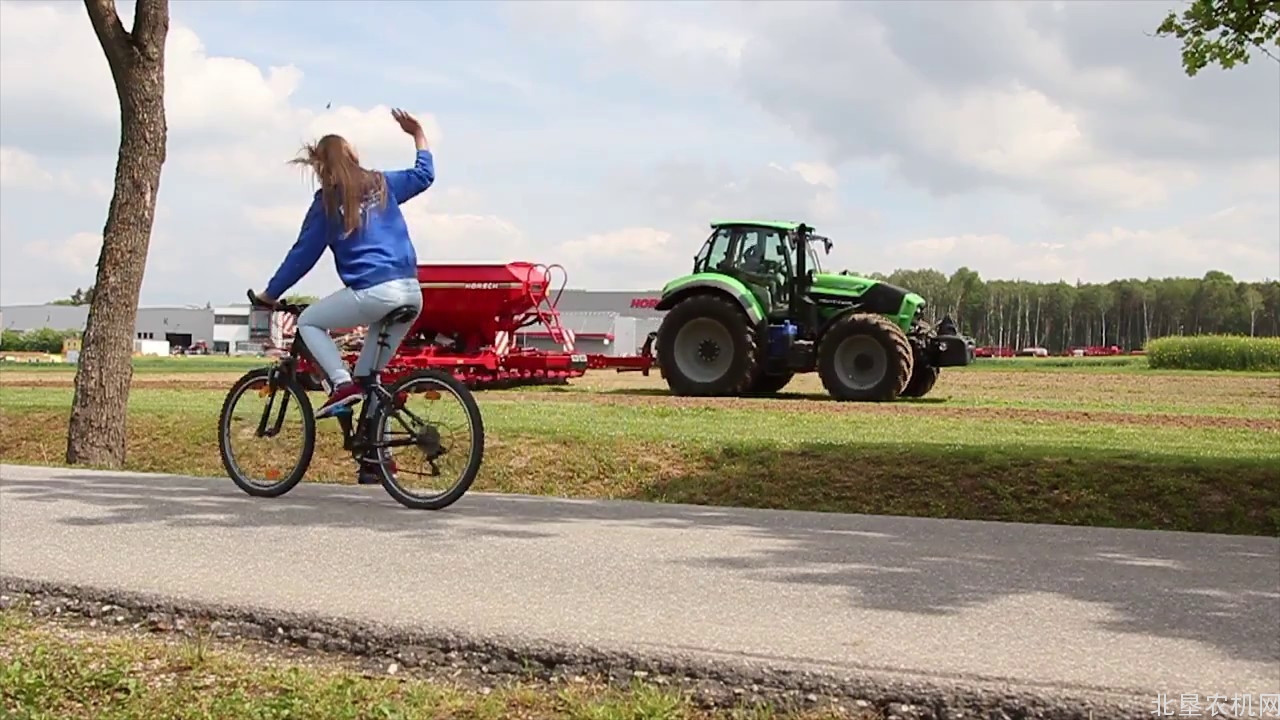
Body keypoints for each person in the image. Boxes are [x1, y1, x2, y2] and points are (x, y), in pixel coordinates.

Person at [255, 107, 433, 422]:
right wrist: (418, 135)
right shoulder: (382, 184)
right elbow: (423, 176)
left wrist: (270, 294)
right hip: (411, 291)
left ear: (319, 166)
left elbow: (302, 256)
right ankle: (377, 464)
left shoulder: (327, 202)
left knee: (309, 321)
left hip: (374, 293)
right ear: (352, 155)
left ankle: (340, 383)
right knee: (371, 381)